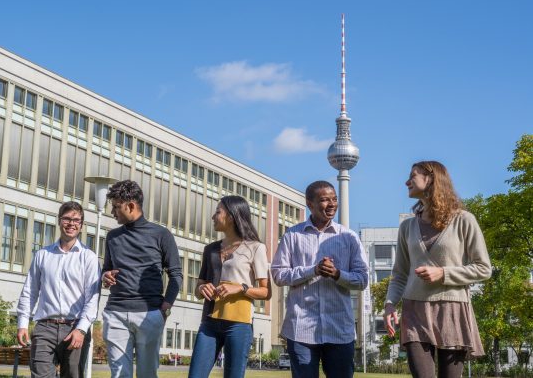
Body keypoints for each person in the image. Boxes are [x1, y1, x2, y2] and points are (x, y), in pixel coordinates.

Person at [384, 161, 492, 378]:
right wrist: (389, 304)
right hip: (414, 311)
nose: (406, 182)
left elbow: (483, 268)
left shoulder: (464, 220)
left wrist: (444, 273)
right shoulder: (407, 227)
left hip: (452, 310)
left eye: (412, 176)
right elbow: (400, 274)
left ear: (431, 179)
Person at [271, 180, 368, 378]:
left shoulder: (349, 237)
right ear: (310, 204)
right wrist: (312, 271)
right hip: (301, 330)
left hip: (340, 330)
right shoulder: (292, 235)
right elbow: (279, 275)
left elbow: (362, 279)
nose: (331, 204)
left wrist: (337, 274)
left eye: (334, 199)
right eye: (325, 200)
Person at [101, 180, 182, 378]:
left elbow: (176, 275)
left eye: (116, 207)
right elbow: (105, 270)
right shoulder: (112, 237)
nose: (113, 212)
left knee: (147, 375)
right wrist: (105, 276)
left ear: (130, 206)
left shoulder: (161, 235)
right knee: (119, 375)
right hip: (116, 314)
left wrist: (165, 308)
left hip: (150, 314)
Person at [188, 195, 271, 378]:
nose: (213, 217)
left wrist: (241, 288)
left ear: (232, 216)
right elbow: (198, 290)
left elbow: (266, 292)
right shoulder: (210, 249)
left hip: (239, 324)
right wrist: (201, 289)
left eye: (218, 212)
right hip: (209, 322)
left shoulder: (256, 248)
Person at [17, 201, 101, 378]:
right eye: (67, 219)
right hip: (44, 328)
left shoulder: (89, 258)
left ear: (82, 225)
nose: (71, 223)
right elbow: (30, 291)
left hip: (75, 328)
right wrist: (23, 323)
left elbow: (92, 298)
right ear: (59, 220)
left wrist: (81, 329)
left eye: (76, 220)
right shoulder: (43, 255)